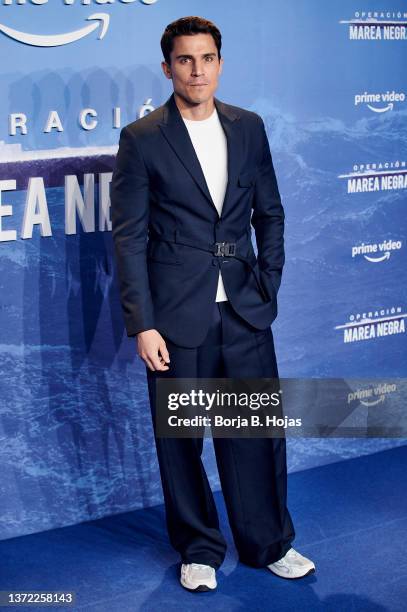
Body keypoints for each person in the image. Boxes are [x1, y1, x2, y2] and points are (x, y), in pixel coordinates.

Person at [110, 15, 315, 592]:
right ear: (167, 66)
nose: (197, 71)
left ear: (220, 63)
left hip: (245, 311)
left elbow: (270, 212)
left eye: (207, 59)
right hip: (175, 319)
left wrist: (267, 282)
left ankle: (268, 543)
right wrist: (143, 325)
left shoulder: (248, 127)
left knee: (254, 434)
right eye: (184, 60)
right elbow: (128, 237)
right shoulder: (143, 137)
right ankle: (198, 548)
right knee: (182, 439)